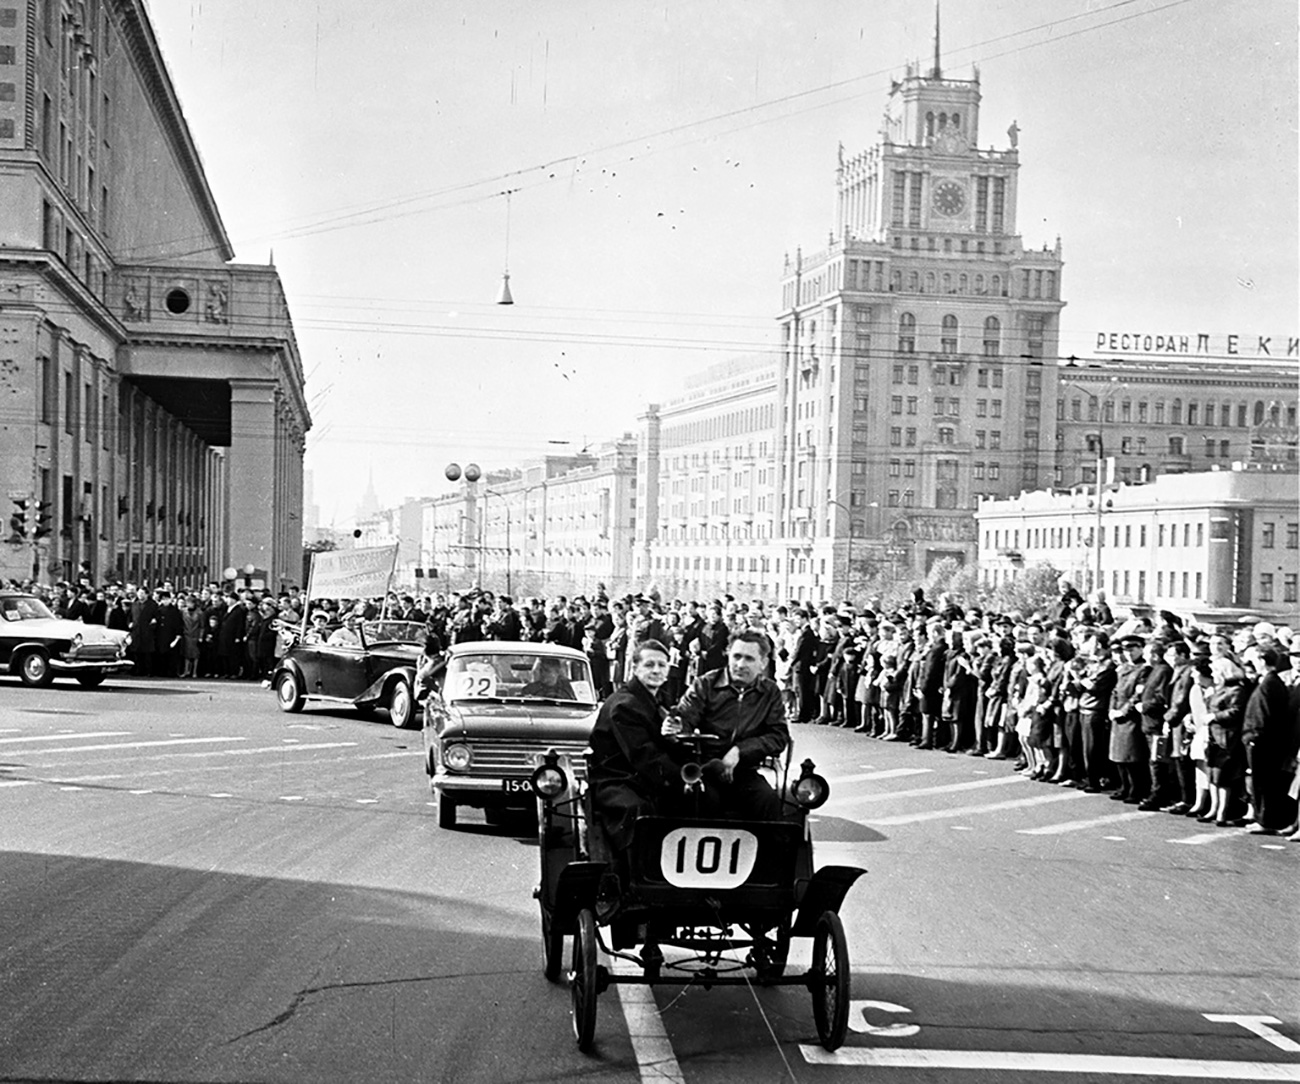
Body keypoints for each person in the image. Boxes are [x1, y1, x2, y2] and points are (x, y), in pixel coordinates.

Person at [665, 630, 791, 821]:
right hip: (705, 767)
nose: (740, 664)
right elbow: (685, 719)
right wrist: (675, 728)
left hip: (745, 770)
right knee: (703, 800)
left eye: (749, 658)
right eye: (736, 656)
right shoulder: (705, 684)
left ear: (763, 663)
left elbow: (779, 736)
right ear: (727, 656)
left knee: (767, 800)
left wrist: (740, 751)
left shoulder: (770, 692)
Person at [587, 639, 684, 850]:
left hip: (643, 778)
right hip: (616, 780)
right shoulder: (625, 705)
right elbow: (643, 755)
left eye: (662, 665)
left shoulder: (659, 700)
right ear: (635, 668)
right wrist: (681, 777)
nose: (656, 670)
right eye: (649, 665)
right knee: (641, 813)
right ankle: (636, 868)